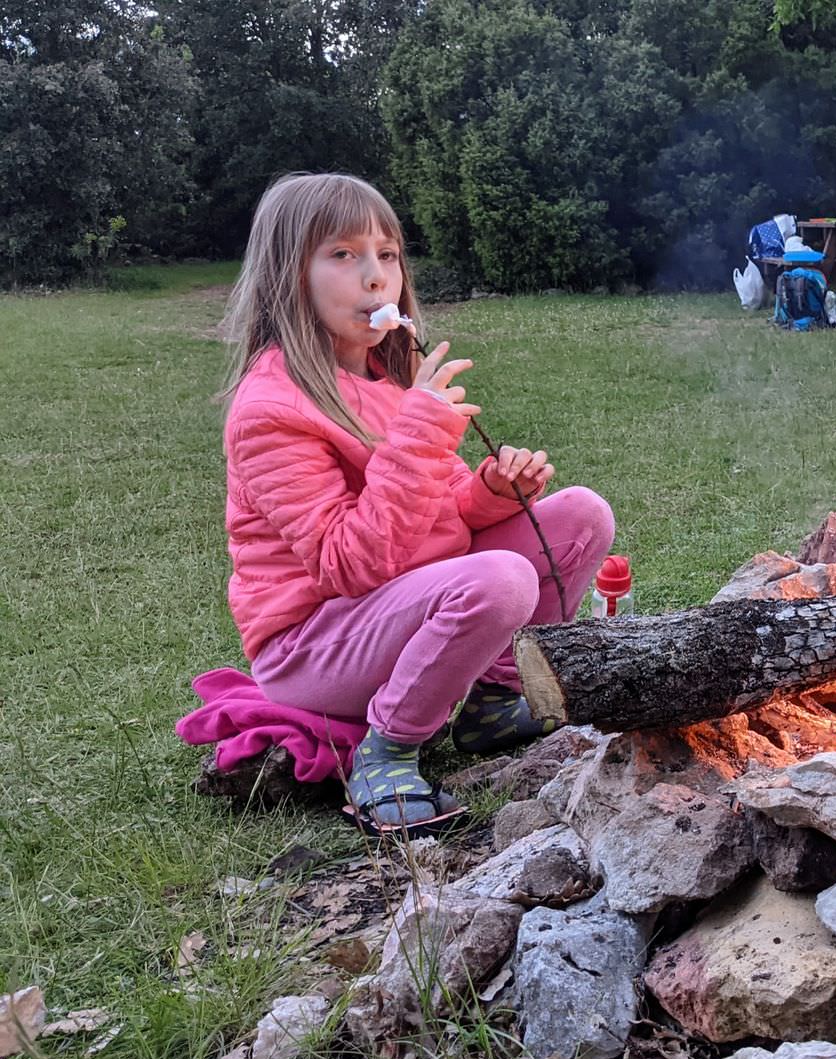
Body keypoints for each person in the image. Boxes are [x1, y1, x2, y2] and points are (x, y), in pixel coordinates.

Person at [214, 173, 615, 833]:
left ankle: (495, 699)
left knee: (580, 518)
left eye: (388, 255)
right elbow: (351, 564)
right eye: (343, 255)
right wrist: (423, 432)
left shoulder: (388, 377)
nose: (376, 277)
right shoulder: (270, 411)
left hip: (397, 601)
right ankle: (388, 747)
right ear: (290, 276)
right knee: (501, 579)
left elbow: (439, 513)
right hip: (314, 647)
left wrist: (490, 491)